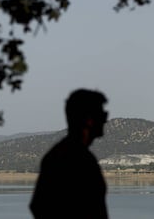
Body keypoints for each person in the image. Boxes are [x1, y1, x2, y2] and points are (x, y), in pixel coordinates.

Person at [30, 88, 109, 219]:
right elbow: (39, 205)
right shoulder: (74, 158)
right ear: (89, 119)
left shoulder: (66, 154)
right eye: (103, 115)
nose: (105, 120)